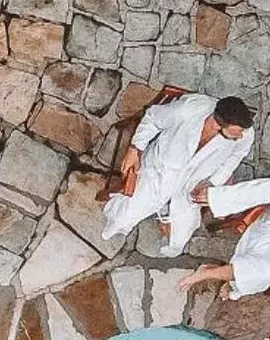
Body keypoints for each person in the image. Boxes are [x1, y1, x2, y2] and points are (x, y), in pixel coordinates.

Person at [101, 93, 256, 254]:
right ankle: (143, 212)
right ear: (218, 124)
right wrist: (136, 148)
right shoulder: (187, 110)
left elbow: (235, 158)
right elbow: (153, 118)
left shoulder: (246, 134)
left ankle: (167, 214)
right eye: (237, 131)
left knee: (180, 234)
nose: (241, 136)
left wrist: (213, 182)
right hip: (160, 170)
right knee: (122, 216)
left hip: (193, 182)